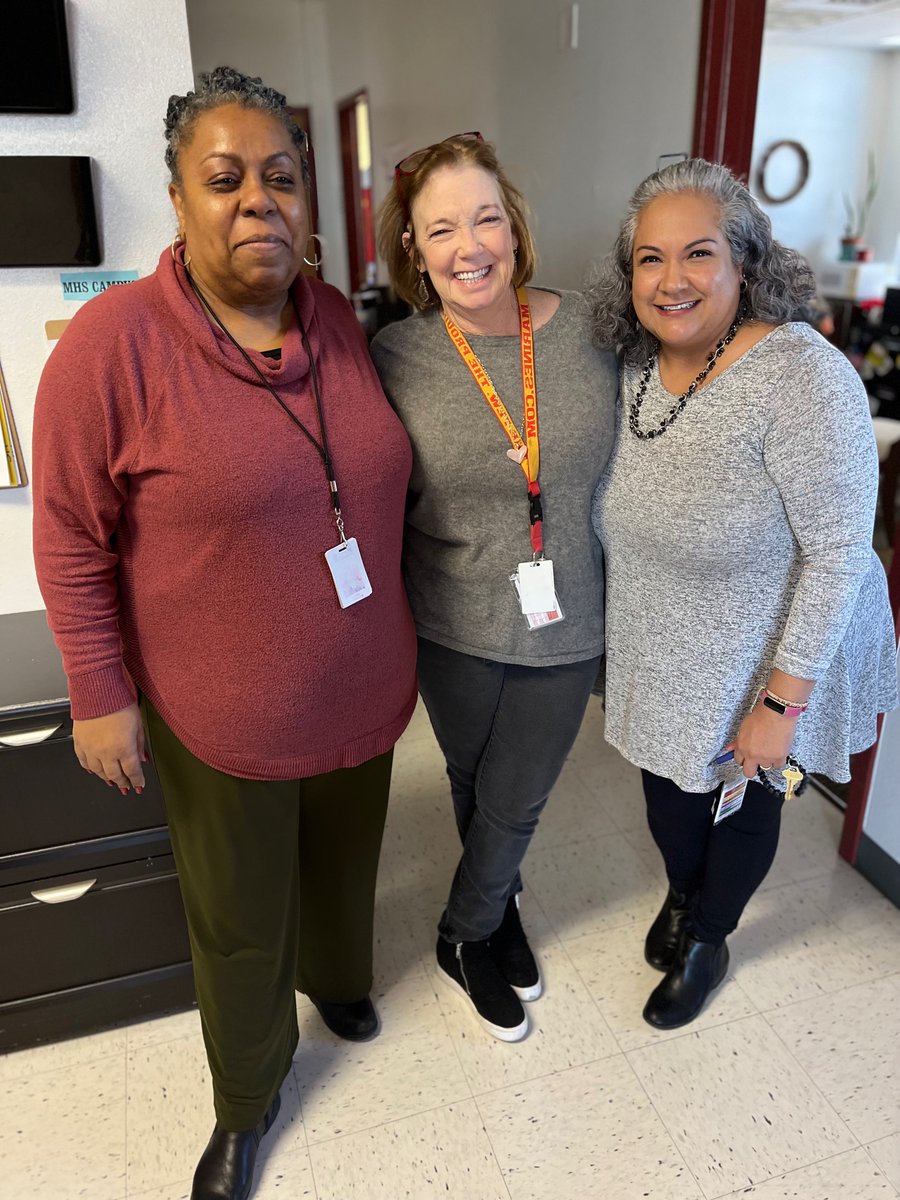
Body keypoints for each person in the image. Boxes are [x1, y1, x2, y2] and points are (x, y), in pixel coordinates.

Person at [32, 67, 417, 1200]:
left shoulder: (338, 320)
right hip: (223, 713)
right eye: (227, 178)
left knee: (347, 869)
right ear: (180, 198)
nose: (260, 200)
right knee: (242, 922)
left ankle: (342, 977)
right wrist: (98, 693)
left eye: (283, 178)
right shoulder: (112, 347)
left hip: (366, 690)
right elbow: (66, 534)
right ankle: (247, 1102)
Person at [588, 158, 898, 1031]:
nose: (672, 279)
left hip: (773, 648)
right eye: (650, 258)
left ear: (746, 264)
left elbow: (841, 554)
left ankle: (708, 936)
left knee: (743, 798)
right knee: (668, 799)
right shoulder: (636, 366)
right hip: (666, 640)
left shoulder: (803, 377)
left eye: (699, 254)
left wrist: (781, 702)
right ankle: (687, 893)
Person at [371, 133, 617, 1042]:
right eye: (442, 229)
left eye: (484, 219)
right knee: (473, 781)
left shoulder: (598, 326)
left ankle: (463, 932)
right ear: (416, 251)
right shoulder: (396, 358)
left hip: (571, 608)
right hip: (450, 614)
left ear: (514, 229)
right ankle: (501, 913)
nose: (468, 246)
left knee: (518, 793)